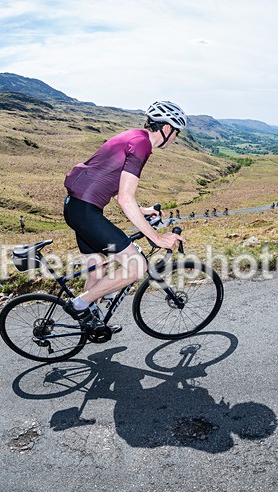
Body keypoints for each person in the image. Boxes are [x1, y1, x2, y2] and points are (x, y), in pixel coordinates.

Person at [62, 101, 186, 331]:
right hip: (86, 211)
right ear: (167, 129)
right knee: (137, 267)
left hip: (75, 207)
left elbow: (115, 181)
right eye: (177, 133)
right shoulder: (142, 145)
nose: (176, 138)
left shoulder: (134, 136)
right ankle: (78, 305)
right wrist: (157, 238)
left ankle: (91, 318)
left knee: (97, 265)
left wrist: (143, 211)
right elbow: (125, 199)